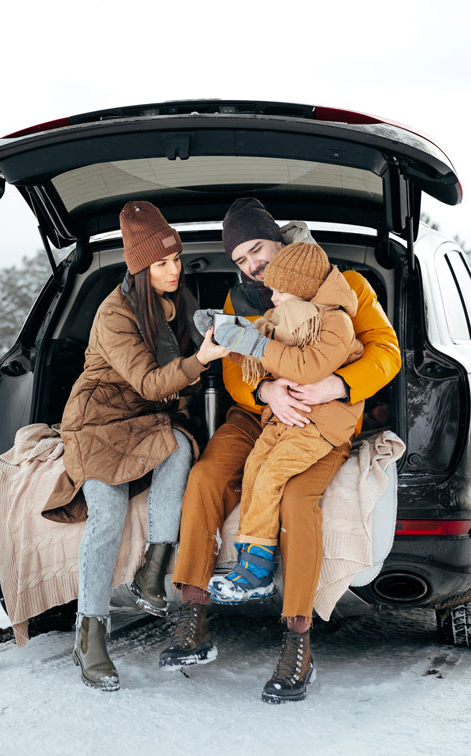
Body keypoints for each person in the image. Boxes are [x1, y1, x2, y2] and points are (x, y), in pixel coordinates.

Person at [163, 197, 400, 704]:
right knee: (205, 478)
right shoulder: (239, 301)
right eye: (242, 259)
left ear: (279, 239)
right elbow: (232, 369)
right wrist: (265, 392)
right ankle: (194, 613)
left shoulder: (348, 286)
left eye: (257, 249)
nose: (252, 265)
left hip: (316, 416)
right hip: (257, 416)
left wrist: (338, 385)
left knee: (295, 500)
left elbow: (386, 351)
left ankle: (298, 641)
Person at [57, 200, 229, 691]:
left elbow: (173, 390)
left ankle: (153, 571)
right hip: (98, 422)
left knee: (181, 446)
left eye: (176, 259)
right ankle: (89, 634)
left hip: (149, 420)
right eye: (161, 263)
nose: (173, 270)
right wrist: (201, 359)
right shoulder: (116, 313)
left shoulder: (179, 302)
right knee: (107, 515)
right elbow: (152, 382)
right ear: (139, 266)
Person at [200, 242, 364, 604]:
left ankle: (257, 571)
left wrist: (257, 346)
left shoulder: (334, 321)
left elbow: (309, 367)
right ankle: (249, 556)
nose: (273, 299)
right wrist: (229, 329)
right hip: (286, 419)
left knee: (273, 474)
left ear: (303, 287)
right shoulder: (289, 315)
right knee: (255, 468)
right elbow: (262, 333)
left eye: (280, 291)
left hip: (319, 423)